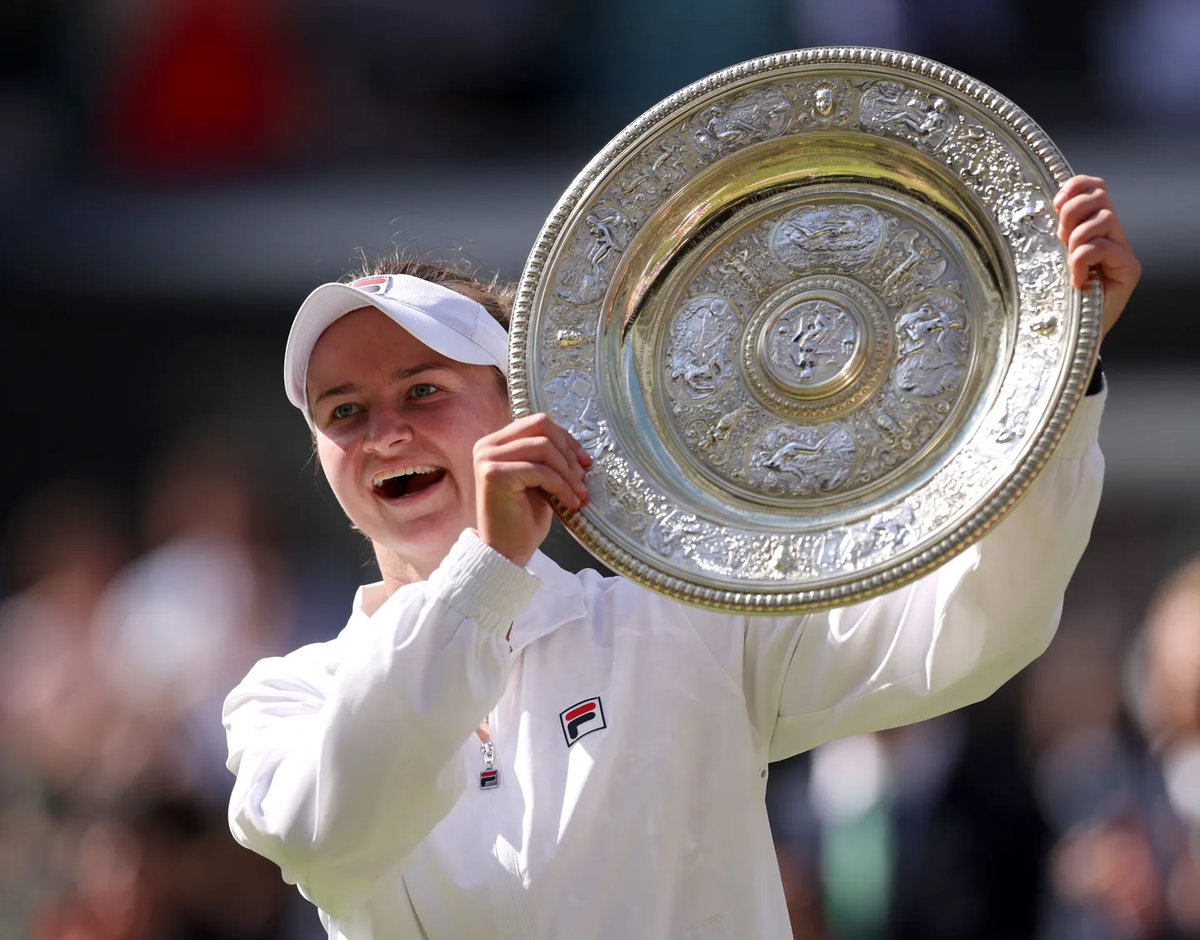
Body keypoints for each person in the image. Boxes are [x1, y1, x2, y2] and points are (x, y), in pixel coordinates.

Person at [223, 174, 1139, 939]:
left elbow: (972, 633)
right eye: (344, 411)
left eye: (423, 389)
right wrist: (485, 574)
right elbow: (330, 828)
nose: (385, 433)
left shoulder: (681, 619)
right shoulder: (285, 697)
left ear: (519, 406)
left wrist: (1057, 372)